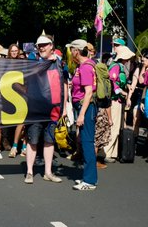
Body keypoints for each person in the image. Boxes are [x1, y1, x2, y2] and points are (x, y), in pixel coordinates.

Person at [23, 35, 65, 184]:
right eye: (39, 45)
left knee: (49, 140)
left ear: (51, 46)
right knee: (33, 140)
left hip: (53, 109)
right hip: (35, 109)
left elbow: (64, 84)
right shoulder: (33, 61)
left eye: (45, 45)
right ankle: (29, 172)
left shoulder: (60, 63)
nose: (42, 47)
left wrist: (64, 107)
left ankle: (48, 172)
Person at [67, 39, 97, 190]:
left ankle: (89, 181)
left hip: (86, 107)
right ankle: (87, 177)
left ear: (76, 51)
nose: (70, 52)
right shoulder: (86, 65)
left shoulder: (85, 67)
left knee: (87, 143)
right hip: (85, 107)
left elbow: (89, 92)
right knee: (85, 142)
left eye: (71, 49)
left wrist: (81, 115)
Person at [102, 45, 134, 163]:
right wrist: (121, 92)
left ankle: (113, 153)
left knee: (115, 126)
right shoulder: (116, 66)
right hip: (115, 100)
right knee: (113, 127)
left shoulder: (117, 66)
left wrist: (126, 87)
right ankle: (107, 152)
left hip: (118, 100)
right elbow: (112, 82)